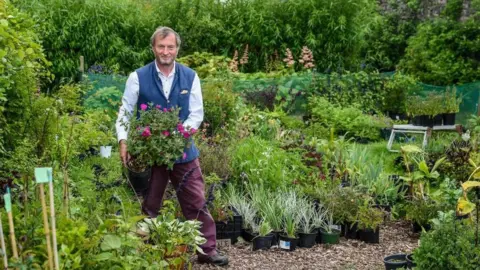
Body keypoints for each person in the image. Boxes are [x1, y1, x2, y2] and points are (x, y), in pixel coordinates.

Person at [115, 26, 228, 266]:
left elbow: (196, 115)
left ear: (177, 48)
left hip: (183, 151)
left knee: (195, 201)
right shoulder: (138, 76)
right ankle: (144, 250)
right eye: (161, 46)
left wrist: (175, 137)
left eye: (170, 47)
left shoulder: (190, 76)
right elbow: (125, 110)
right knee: (149, 203)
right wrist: (123, 140)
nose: (166, 51)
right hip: (150, 152)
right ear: (153, 48)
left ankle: (207, 250)